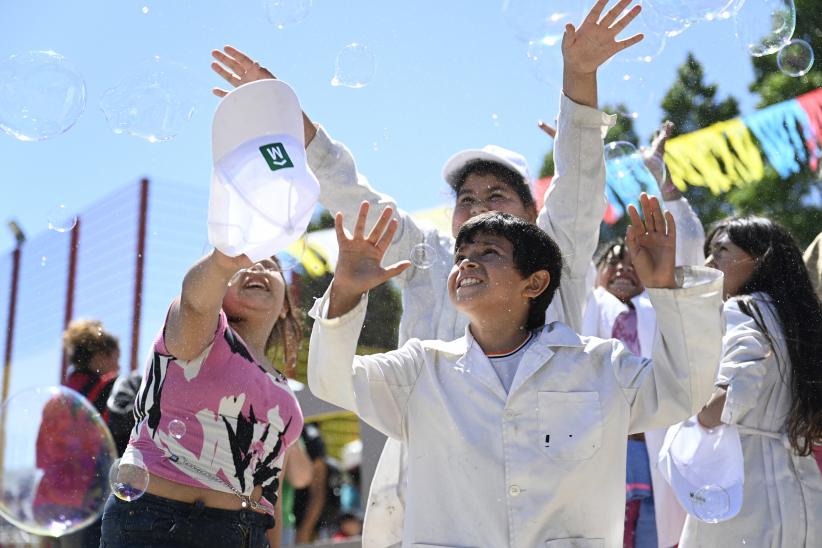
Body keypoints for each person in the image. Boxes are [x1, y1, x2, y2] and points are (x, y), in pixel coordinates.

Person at [210, 1, 643, 542]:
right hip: (431, 494)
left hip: (540, 485)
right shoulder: (430, 256)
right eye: (466, 198)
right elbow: (353, 195)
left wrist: (579, 77)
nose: (479, 208)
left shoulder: (558, 255)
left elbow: (578, 184)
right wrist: (285, 117)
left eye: (497, 196)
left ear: (533, 214)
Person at [307, 196, 722, 547]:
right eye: (461, 257)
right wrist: (344, 291)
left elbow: (683, 392)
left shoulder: (599, 365)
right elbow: (332, 379)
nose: (467, 264)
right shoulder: (420, 367)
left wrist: (667, 287)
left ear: (535, 283)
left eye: (488, 253)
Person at [99, 249, 305, 548]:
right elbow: (195, 303)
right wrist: (222, 260)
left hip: (246, 533)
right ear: (219, 287)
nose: (257, 266)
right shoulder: (206, 332)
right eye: (243, 265)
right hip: (155, 522)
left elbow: (270, 485)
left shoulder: (284, 391)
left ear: (285, 306)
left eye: (271, 265)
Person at [581, 122, 703, 548]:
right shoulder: (587, 307)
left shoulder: (660, 308)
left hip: (657, 451)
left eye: (630, 261)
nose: (620, 268)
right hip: (599, 449)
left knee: (657, 535)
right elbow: (571, 252)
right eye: (610, 261)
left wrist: (662, 180)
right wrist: (581, 164)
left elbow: (690, 259)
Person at [679, 217, 822, 547]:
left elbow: (733, 394)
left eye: (721, 251)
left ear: (761, 259)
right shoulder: (802, 320)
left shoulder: (744, 308)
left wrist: (699, 420)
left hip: (745, 488)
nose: (709, 263)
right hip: (803, 492)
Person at [35, 319, 122, 548]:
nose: (118, 366)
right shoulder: (107, 389)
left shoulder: (57, 398)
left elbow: (41, 456)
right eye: (115, 358)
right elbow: (104, 446)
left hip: (49, 497)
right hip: (85, 499)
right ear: (100, 356)